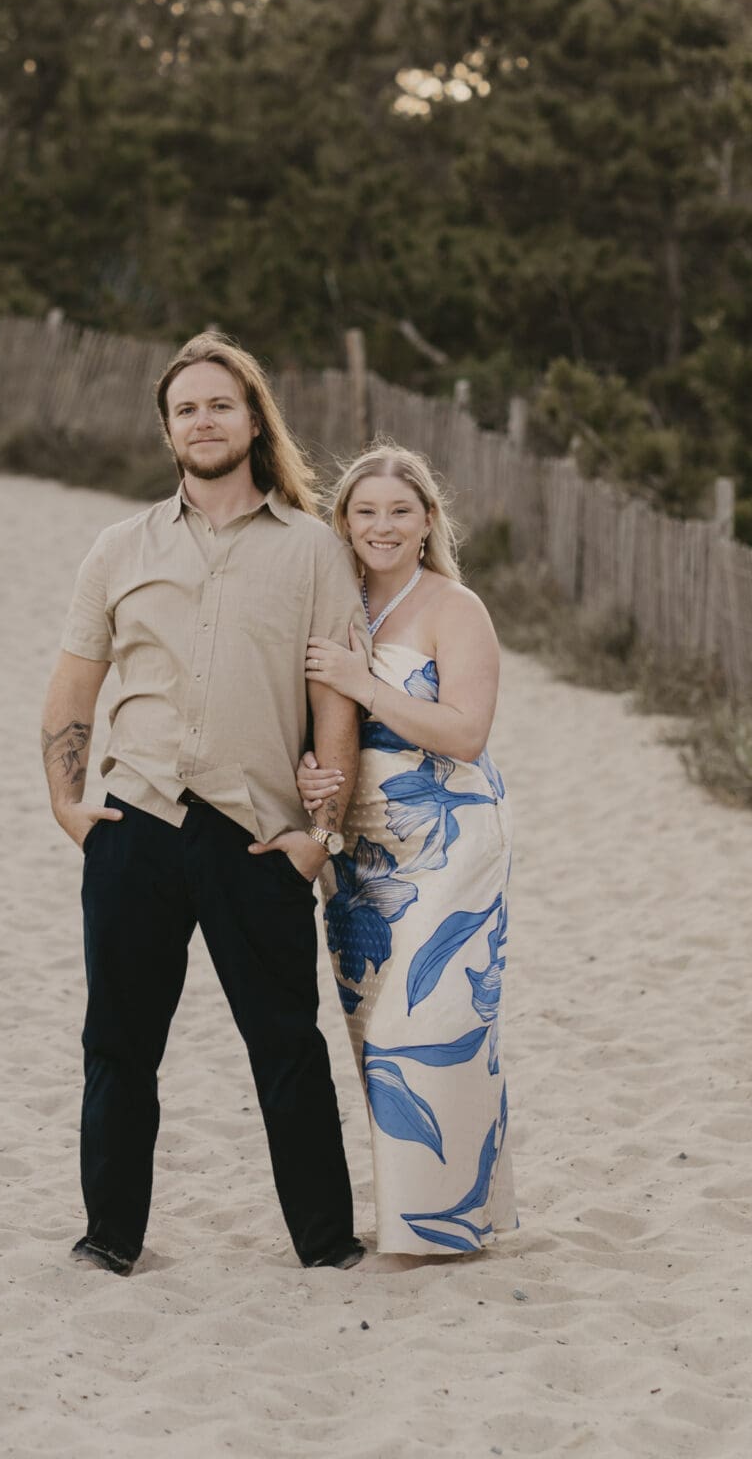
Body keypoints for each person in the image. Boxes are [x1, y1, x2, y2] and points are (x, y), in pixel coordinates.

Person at [39, 329, 367, 1276]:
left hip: (258, 836)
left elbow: (335, 703)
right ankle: (111, 1237)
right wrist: (68, 805)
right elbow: (73, 687)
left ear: (254, 420)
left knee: (286, 1044)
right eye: (186, 409)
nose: (204, 420)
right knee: (118, 1043)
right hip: (134, 824)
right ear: (168, 430)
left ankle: (326, 1243)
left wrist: (321, 834)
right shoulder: (119, 548)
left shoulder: (315, 552)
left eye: (221, 404)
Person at [297, 445, 516, 1258]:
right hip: (359, 852)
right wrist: (307, 768)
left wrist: (365, 685)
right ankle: (437, 1217)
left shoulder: (454, 607)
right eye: (365, 512)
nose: (381, 526)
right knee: (372, 1033)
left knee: (423, 1022)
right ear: (344, 523)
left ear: (427, 521)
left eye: (399, 511)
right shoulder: (335, 604)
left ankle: (439, 1229)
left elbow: (466, 732)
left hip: (451, 840)